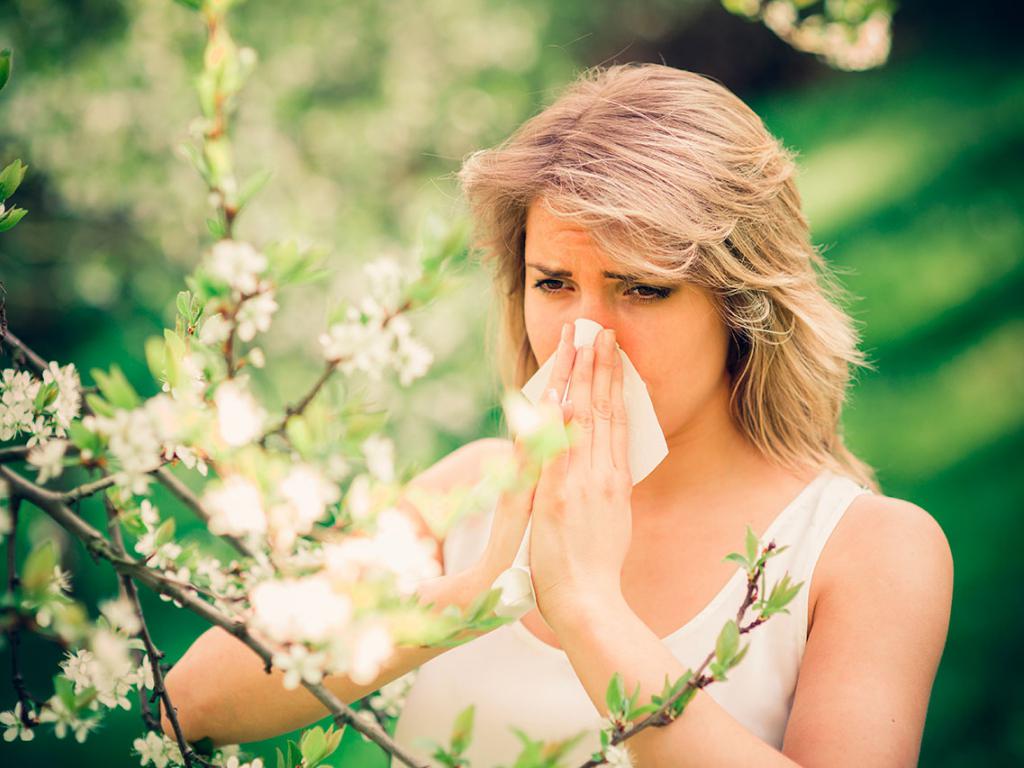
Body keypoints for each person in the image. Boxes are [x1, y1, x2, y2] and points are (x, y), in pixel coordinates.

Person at [164, 63, 953, 766]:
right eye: (553, 283)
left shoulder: (867, 552)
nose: (586, 332)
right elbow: (190, 702)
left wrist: (586, 610)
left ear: (741, 307)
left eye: (641, 287)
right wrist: (479, 594)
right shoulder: (470, 489)